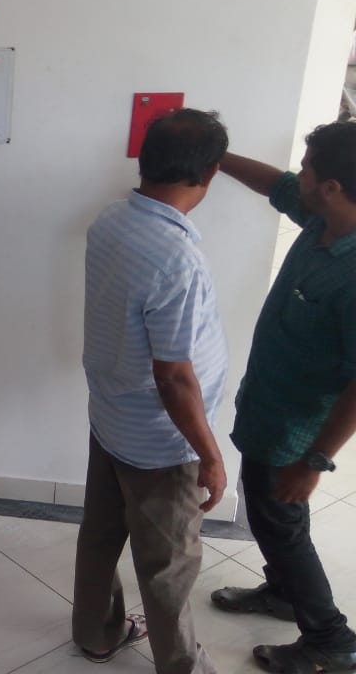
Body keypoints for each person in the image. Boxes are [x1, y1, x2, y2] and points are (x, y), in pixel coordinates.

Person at [73, 109, 230, 673]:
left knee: (100, 534)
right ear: (209, 173)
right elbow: (174, 376)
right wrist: (210, 455)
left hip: (112, 417)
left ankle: (96, 634)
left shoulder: (111, 220)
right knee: (169, 564)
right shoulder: (178, 258)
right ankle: (181, 666)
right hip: (162, 441)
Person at [208, 121, 356, 673]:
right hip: (269, 406)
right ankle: (284, 594)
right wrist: (215, 154)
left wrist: (314, 461)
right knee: (276, 517)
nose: (301, 174)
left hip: (296, 433)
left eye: (309, 168)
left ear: (333, 187)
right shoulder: (324, 217)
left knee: (279, 524)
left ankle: (330, 639)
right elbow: (275, 184)